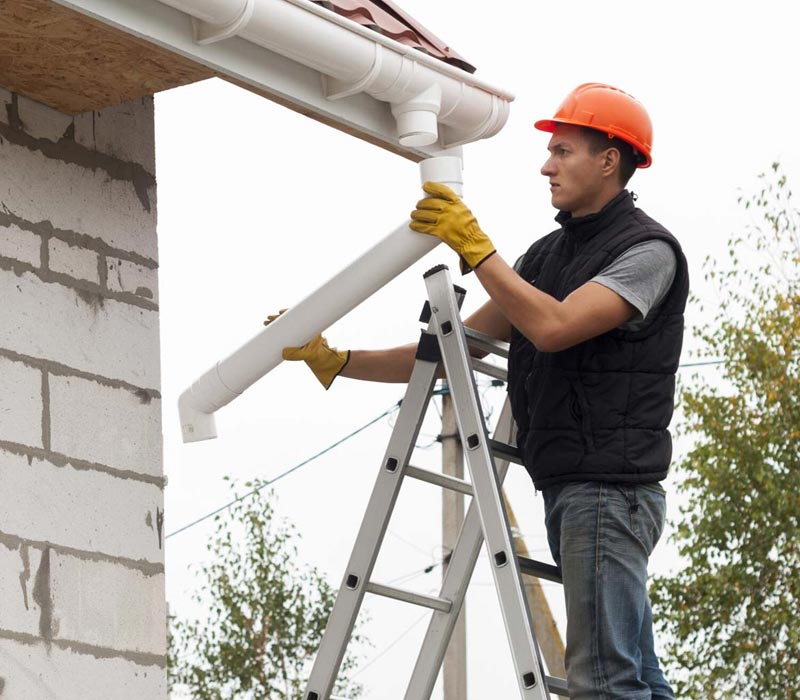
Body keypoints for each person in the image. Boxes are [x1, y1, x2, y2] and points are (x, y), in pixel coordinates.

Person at [274, 83, 688, 700]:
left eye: (564, 151)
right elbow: (450, 349)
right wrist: (338, 361)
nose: (546, 165)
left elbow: (552, 328)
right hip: (578, 486)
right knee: (633, 681)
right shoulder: (547, 257)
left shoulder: (646, 252)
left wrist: (477, 250)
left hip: (609, 489)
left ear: (610, 160)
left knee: (605, 685)